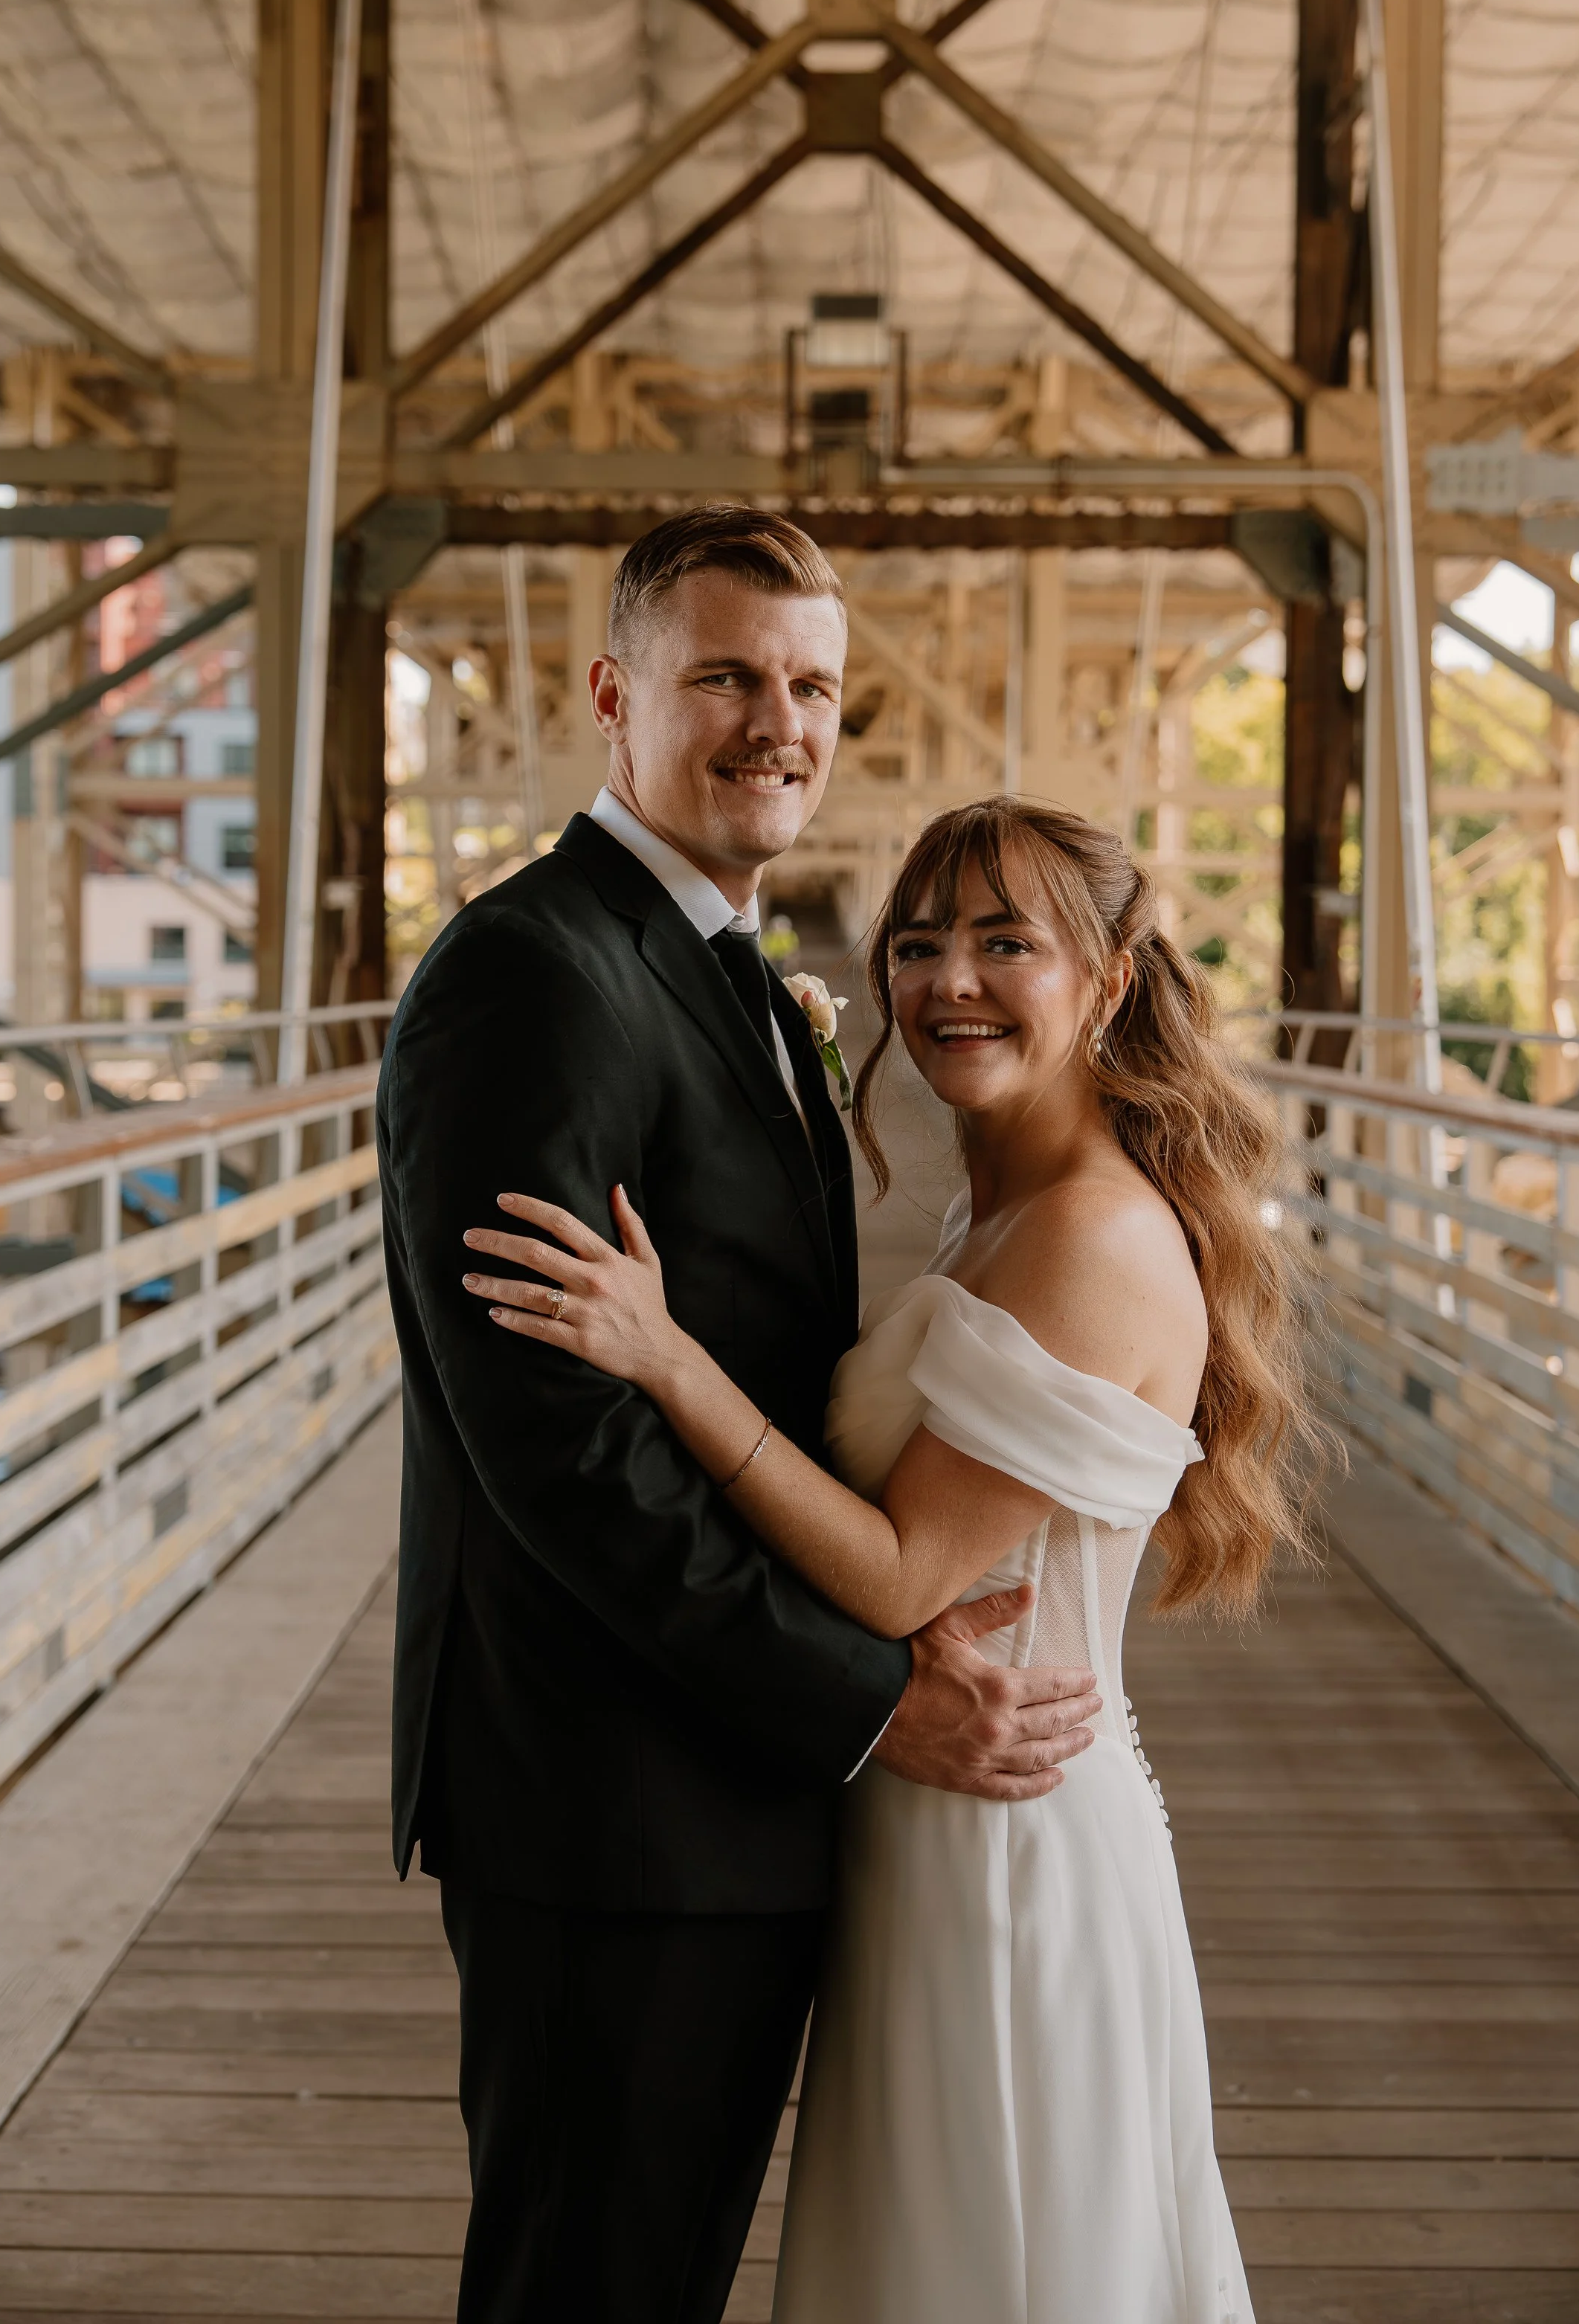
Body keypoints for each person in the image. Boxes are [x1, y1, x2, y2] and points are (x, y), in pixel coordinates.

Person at [463, 794, 1324, 2324]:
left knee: (1001, 2261)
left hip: (1008, 1848)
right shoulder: (996, 1214)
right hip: (923, 1834)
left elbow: (902, 1575)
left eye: (1010, 944)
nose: (950, 983)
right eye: (919, 945)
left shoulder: (1089, 1238)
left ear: (1111, 981)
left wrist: (666, 1359)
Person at [378, 512, 1103, 2324]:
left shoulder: (724, 971)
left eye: (810, 687)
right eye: (724, 677)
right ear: (614, 699)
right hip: (609, 1799)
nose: (777, 722)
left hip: (715, 1786)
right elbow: (561, 1453)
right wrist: (870, 1700)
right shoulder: (534, 977)